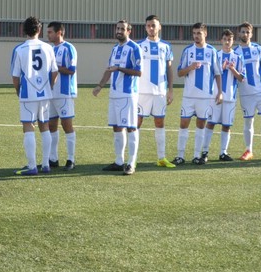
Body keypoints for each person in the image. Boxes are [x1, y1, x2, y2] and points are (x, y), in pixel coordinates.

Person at [92, 20, 142, 176]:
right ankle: (119, 161)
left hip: (128, 94)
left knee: (131, 127)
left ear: (129, 31)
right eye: (118, 28)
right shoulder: (115, 48)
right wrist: (100, 85)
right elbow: (109, 69)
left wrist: (119, 68)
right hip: (114, 94)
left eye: (123, 29)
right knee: (116, 127)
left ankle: (131, 163)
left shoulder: (134, 48)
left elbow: (139, 72)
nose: (119, 31)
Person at [11, 16, 59, 176]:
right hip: (44, 93)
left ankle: (32, 166)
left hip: (28, 93)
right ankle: (45, 164)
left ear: (24, 31)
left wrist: (19, 91)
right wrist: (49, 87)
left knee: (28, 127)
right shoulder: (49, 48)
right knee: (44, 126)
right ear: (39, 30)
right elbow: (55, 71)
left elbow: (15, 76)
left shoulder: (19, 49)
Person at [171, 23, 222, 166]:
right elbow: (180, 73)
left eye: (199, 33)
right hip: (189, 96)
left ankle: (196, 155)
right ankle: (180, 156)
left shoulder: (212, 51)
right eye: (194, 33)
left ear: (205, 33)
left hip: (205, 97)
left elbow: (218, 74)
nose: (196, 36)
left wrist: (220, 93)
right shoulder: (188, 51)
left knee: (201, 125)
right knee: (183, 124)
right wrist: (190, 67)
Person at [136, 15, 175, 168]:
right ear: (145, 28)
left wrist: (170, 90)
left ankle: (161, 158)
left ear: (159, 27)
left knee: (160, 122)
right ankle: (133, 158)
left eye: (154, 25)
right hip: (141, 92)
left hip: (159, 92)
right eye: (148, 26)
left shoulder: (166, 46)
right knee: (136, 123)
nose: (151, 28)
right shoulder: (138, 45)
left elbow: (169, 69)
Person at [234, 21, 261, 161]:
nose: (245, 34)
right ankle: (248, 150)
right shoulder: (235, 52)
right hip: (246, 94)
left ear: (251, 34)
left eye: (248, 32)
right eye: (243, 31)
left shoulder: (258, 49)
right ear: (238, 33)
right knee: (248, 121)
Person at [201, 29, 245, 162]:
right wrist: (222, 68)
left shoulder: (237, 57)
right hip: (215, 96)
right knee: (211, 123)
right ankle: (204, 152)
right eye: (225, 39)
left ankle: (223, 153)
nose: (227, 42)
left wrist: (232, 69)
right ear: (221, 40)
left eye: (230, 39)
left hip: (230, 97)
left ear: (233, 41)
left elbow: (241, 77)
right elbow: (209, 73)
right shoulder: (216, 55)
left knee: (227, 125)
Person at [46, 22, 77, 171]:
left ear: (59, 32)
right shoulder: (50, 49)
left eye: (51, 32)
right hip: (51, 93)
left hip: (64, 93)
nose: (48, 35)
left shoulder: (68, 48)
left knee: (67, 125)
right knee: (51, 125)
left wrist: (55, 67)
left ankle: (71, 159)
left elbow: (71, 70)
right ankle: (53, 159)